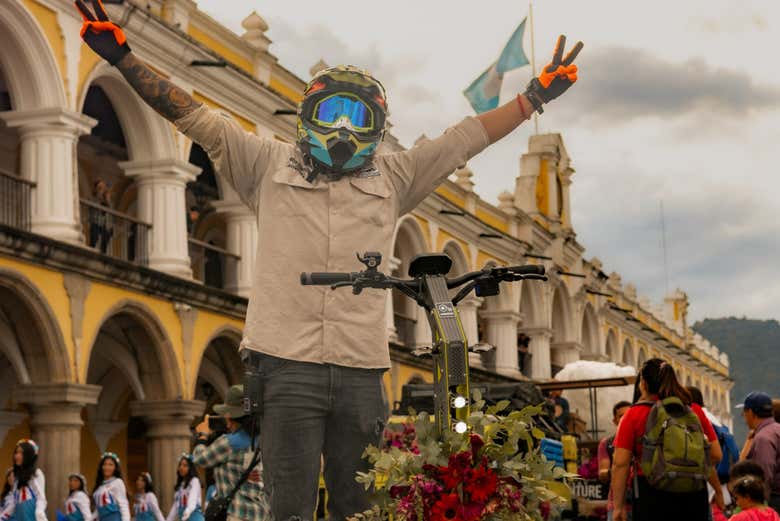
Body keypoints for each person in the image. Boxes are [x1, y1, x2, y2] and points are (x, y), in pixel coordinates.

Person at [74, 2, 583, 517]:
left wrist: (533, 97)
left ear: (376, 126)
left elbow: (464, 140)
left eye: (357, 115)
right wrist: (122, 57)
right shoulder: (265, 165)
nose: (342, 126)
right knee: (288, 508)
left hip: (362, 368)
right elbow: (191, 114)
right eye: (330, 112)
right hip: (285, 363)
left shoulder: (394, 177)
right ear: (307, 117)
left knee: (361, 506)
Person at [611, 359, 722, 521]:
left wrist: (618, 507)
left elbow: (620, 463)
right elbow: (716, 455)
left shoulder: (632, 415)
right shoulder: (693, 410)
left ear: (643, 383)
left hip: (651, 492)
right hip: (694, 492)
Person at [192, 385, 269, 521]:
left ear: (230, 416)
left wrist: (202, 437)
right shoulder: (266, 441)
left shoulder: (228, 442)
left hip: (236, 513)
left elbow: (199, 459)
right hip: (260, 513)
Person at [688, 386, 733, 512]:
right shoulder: (715, 418)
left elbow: (711, 455)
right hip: (721, 480)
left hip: (708, 482)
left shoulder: (697, 416)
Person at [738, 392, 780, 513]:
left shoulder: (763, 437)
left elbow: (765, 472)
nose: (744, 417)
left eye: (744, 413)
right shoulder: (776, 429)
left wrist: (761, 504)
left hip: (775, 500)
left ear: (750, 412)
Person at [598, 401, 631, 521]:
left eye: (628, 415)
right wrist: (618, 469)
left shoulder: (640, 440)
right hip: (616, 504)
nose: (625, 419)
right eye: (621, 416)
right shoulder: (607, 443)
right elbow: (602, 474)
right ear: (614, 420)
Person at [0, 440, 46, 521]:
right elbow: (14, 502)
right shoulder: (17, 477)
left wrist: (40, 515)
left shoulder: (36, 473)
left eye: (21, 453)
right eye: (16, 452)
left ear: (29, 455)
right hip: (19, 515)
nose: (16, 456)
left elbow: (41, 498)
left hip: (32, 515)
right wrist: (3, 517)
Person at [93, 452, 130, 521]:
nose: (107, 467)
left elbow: (123, 505)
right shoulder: (100, 486)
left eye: (111, 465)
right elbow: (98, 510)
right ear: (101, 467)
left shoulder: (117, 482)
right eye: (105, 464)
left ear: (115, 468)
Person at [166, 455, 203, 521]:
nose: (181, 467)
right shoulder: (180, 486)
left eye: (185, 465)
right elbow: (175, 508)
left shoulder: (194, 481)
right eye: (180, 465)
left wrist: (186, 513)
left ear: (190, 468)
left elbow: (192, 500)